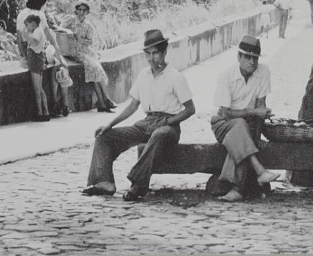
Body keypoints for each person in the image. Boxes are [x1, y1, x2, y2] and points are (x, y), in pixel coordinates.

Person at [82, 29, 195, 202]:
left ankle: (138, 185)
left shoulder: (175, 77)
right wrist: (110, 124)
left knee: (159, 134)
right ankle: (105, 182)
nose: (151, 58)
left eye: (155, 53)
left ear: (164, 52)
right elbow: (133, 105)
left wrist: (168, 121)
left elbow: (190, 109)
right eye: (148, 54)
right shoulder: (143, 75)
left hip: (168, 126)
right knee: (104, 137)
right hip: (146, 123)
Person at [210, 34, 281, 203]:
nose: (252, 62)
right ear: (239, 57)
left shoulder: (263, 71)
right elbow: (226, 113)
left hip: (246, 125)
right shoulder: (226, 76)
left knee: (243, 132)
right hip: (222, 123)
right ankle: (258, 170)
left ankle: (237, 190)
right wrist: (253, 112)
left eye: (255, 58)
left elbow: (261, 104)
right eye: (248, 58)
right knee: (241, 126)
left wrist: (261, 114)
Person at [66, 0, 116, 112]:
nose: (82, 12)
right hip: (75, 51)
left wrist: (81, 39)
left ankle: (103, 102)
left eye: (84, 10)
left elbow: (90, 42)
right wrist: (71, 35)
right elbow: (60, 29)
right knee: (94, 69)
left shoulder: (88, 26)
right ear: (76, 11)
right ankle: (105, 101)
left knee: (96, 71)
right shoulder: (71, 21)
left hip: (86, 50)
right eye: (80, 10)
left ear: (87, 12)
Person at [21, 14, 50, 120]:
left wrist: (26, 33)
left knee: (37, 88)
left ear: (33, 24)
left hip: (35, 60)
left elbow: (35, 41)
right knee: (40, 88)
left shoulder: (37, 31)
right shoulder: (38, 30)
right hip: (38, 60)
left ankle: (40, 113)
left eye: (28, 25)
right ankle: (45, 112)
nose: (27, 27)